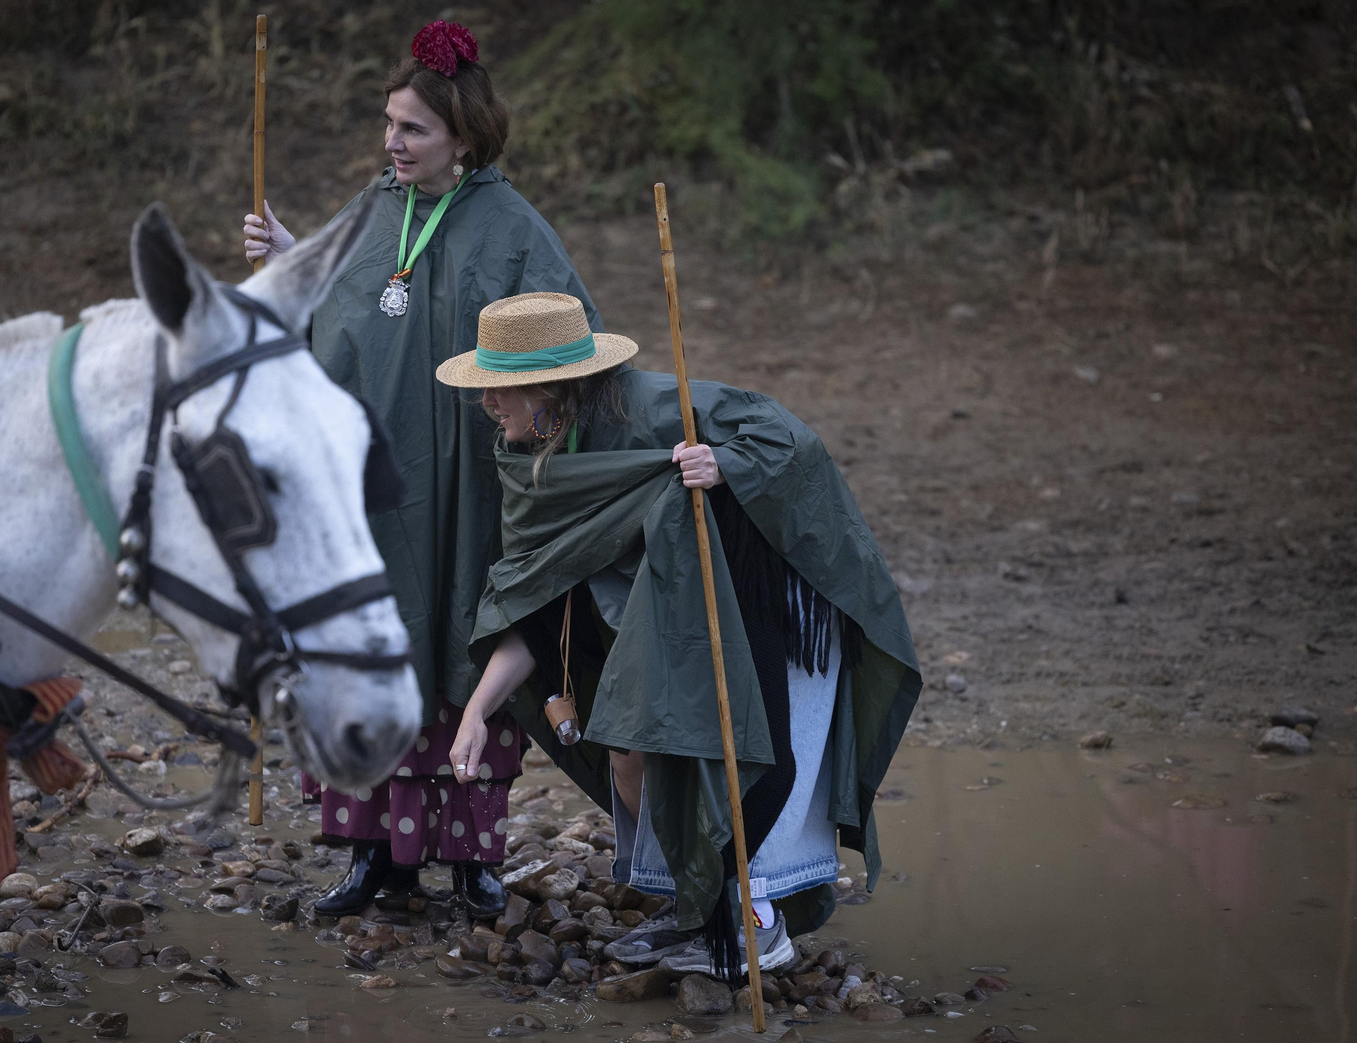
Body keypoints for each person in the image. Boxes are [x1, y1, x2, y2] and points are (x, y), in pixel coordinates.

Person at [436, 292, 922, 980]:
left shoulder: (658, 408)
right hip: (667, 609)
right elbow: (534, 600)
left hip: (761, 599)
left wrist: (725, 466)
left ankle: (754, 919)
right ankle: (698, 904)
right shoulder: (532, 462)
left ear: (555, 389)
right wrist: (477, 710)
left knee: (722, 749)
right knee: (629, 746)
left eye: (502, 390)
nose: (488, 404)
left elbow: (792, 446)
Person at [240, 21, 603, 919]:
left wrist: (543, 443)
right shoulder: (371, 213)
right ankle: (372, 854)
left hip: (477, 496)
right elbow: (331, 311)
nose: (391, 142)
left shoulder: (516, 232)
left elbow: (574, 347)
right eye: (388, 123)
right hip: (377, 495)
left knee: (463, 646)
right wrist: (289, 258)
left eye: (412, 129)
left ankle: (473, 858)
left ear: (463, 140)